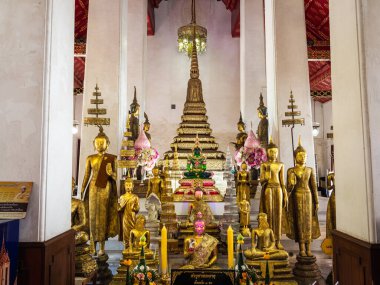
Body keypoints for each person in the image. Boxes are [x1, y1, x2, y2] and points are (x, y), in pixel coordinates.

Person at [81, 126, 119, 256]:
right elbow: (86, 175)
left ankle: (102, 246)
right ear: (93, 144)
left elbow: (115, 177)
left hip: (105, 188)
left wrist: (111, 173)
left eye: (102, 143)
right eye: (97, 143)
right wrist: (82, 189)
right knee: (92, 216)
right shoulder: (90, 158)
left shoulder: (112, 159)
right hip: (92, 188)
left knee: (102, 216)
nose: (99, 145)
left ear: (107, 144)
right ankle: (92, 245)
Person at [286, 137, 320, 257]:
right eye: (300, 155)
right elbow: (288, 189)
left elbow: (314, 187)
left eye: (304, 155)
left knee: (308, 221)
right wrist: (291, 183)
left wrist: (316, 201)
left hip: (308, 196)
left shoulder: (310, 170)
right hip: (297, 196)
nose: (303, 157)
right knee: (299, 221)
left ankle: (309, 247)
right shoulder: (291, 171)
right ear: (295, 157)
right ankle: (301, 248)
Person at [259, 137, 288, 249]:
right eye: (271, 151)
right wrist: (265, 177)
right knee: (269, 213)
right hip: (268, 189)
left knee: (278, 214)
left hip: (278, 189)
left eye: (275, 152)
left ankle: (277, 240)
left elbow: (282, 181)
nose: (273, 153)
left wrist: (285, 193)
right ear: (267, 152)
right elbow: (261, 180)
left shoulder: (280, 164)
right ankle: (269, 239)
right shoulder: (264, 165)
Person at [118, 176, 140, 250]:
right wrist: (120, 208)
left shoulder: (135, 197)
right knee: (126, 233)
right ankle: (126, 248)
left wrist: (134, 208)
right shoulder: (122, 197)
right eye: (126, 185)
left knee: (133, 232)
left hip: (132, 217)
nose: (128, 187)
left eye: (129, 185)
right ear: (124, 186)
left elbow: (137, 208)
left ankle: (132, 247)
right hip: (125, 218)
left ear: (132, 186)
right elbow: (118, 208)